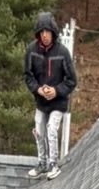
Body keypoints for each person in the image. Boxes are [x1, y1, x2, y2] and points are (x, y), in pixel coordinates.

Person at [24, 11, 76, 179]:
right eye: (42, 32)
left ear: (53, 32)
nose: (45, 35)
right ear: (38, 33)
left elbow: (72, 80)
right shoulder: (31, 51)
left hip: (59, 102)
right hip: (41, 101)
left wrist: (56, 91)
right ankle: (42, 163)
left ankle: (53, 164)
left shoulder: (63, 52)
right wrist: (37, 89)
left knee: (51, 129)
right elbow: (27, 76)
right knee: (39, 129)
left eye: (47, 32)